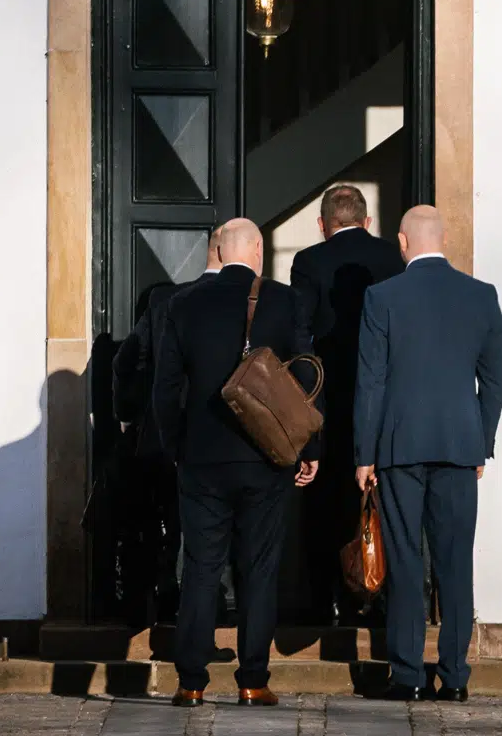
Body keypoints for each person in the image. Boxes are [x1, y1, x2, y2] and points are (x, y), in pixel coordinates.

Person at [152, 218, 320, 708]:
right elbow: (306, 381)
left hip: (202, 461)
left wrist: (176, 448)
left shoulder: (182, 304)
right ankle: (252, 680)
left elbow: (164, 390)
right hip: (266, 460)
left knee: (202, 569)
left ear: (220, 253)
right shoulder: (286, 301)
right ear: (260, 255)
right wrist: (307, 450)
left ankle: (190, 682)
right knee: (259, 569)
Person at [353, 206, 502, 702]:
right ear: (446, 238)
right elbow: (495, 381)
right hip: (461, 445)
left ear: (402, 242)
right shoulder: (481, 296)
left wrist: (364, 454)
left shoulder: (382, 297)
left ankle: (407, 675)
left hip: (399, 446)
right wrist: (482, 441)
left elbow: (371, 382)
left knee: (405, 559)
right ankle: (456, 676)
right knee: (456, 562)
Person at [289, 184, 404, 624]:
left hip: (329, 401)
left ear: (322, 225)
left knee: (324, 505)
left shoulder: (308, 262)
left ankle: (326, 602)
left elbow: (301, 341)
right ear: (367, 221)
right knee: (382, 501)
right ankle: (378, 599)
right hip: (386, 400)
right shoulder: (393, 257)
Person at [110, 225, 234, 624]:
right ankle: (204, 611)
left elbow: (125, 362)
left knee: (161, 523)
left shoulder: (164, 301)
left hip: (160, 437)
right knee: (207, 529)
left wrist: (129, 416)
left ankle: (159, 601)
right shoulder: (245, 299)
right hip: (215, 440)